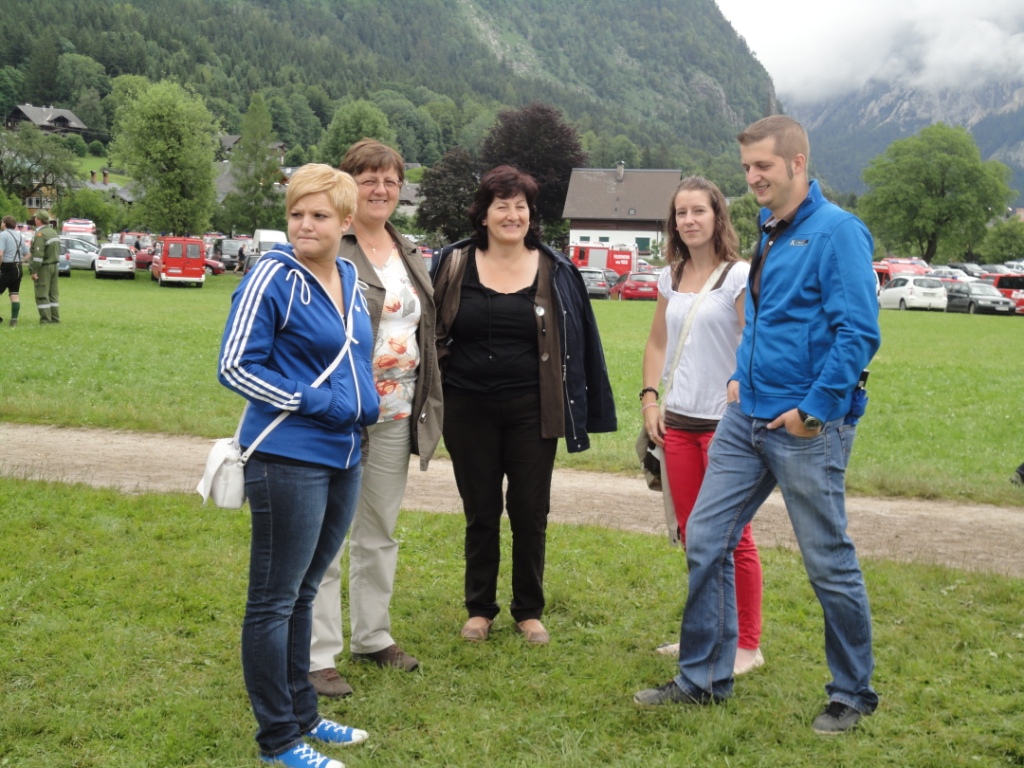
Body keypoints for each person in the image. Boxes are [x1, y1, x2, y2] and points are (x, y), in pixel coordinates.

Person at [633, 116, 882, 736]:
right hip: (745, 420)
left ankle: (851, 693)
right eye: (746, 168)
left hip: (806, 428)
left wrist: (814, 409)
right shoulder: (772, 231)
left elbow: (857, 332)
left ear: (797, 163)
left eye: (762, 166)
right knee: (705, 537)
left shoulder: (838, 232)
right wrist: (741, 374)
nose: (752, 178)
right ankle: (703, 680)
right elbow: (764, 320)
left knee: (827, 560)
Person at [217, 163, 379, 768]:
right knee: (274, 600)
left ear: (346, 221)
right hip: (287, 455)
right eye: (295, 214)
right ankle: (279, 740)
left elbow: (353, 358)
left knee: (306, 591)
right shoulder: (272, 275)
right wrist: (316, 402)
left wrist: (364, 401)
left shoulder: (348, 276)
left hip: (346, 453)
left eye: (318, 215)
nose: (304, 225)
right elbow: (236, 366)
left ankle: (304, 714)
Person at [432, 165, 617, 646]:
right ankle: (480, 610)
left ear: (531, 215)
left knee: (531, 511)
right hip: (466, 407)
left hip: (534, 409)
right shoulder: (453, 263)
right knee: (481, 511)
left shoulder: (556, 269)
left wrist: (590, 407)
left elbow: (583, 339)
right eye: (502, 206)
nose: (512, 214)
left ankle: (528, 610)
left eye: (521, 206)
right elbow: (427, 329)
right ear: (484, 214)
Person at [308, 139, 443, 698]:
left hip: (395, 412)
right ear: (348, 187)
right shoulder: (328, 244)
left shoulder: (407, 249)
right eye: (368, 179)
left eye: (390, 180)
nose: (380, 189)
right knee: (326, 535)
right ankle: (317, 654)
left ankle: (372, 636)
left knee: (379, 530)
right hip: (337, 414)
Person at [641, 176, 763, 676]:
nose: (689, 220)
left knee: (734, 536)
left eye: (699, 211)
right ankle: (704, 631)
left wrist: (740, 380)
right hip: (678, 424)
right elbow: (656, 343)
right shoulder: (669, 277)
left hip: (725, 426)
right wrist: (650, 400)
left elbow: (754, 337)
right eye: (681, 212)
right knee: (693, 533)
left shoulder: (738, 276)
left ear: (718, 217)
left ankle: (747, 644)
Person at [30, 211, 61, 324]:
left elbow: (38, 256)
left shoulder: (41, 234)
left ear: (39, 220)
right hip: (54, 266)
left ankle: (45, 319)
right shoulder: (53, 232)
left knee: (42, 293)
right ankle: (55, 318)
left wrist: (34, 271)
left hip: (44, 267)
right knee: (53, 294)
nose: (35, 219)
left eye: (36, 218)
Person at [0, 216, 30, 328]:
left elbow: (0, 254)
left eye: (2, 222)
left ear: (5, 224)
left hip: (7, 267)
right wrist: (20, 261)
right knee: (14, 294)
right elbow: (28, 254)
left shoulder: (3, 235)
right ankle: (13, 320)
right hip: (18, 268)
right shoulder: (20, 236)